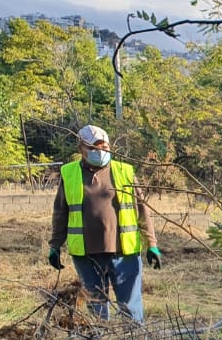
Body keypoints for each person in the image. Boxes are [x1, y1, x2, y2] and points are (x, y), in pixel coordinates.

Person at [48, 124, 163, 321]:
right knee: (96, 309)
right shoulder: (69, 173)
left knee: (131, 308)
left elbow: (142, 210)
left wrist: (151, 243)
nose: (100, 151)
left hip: (123, 253)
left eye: (104, 147)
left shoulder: (124, 171)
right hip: (87, 255)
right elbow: (61, 212)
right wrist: (55, 246)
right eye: (93, 148)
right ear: (81, 148)